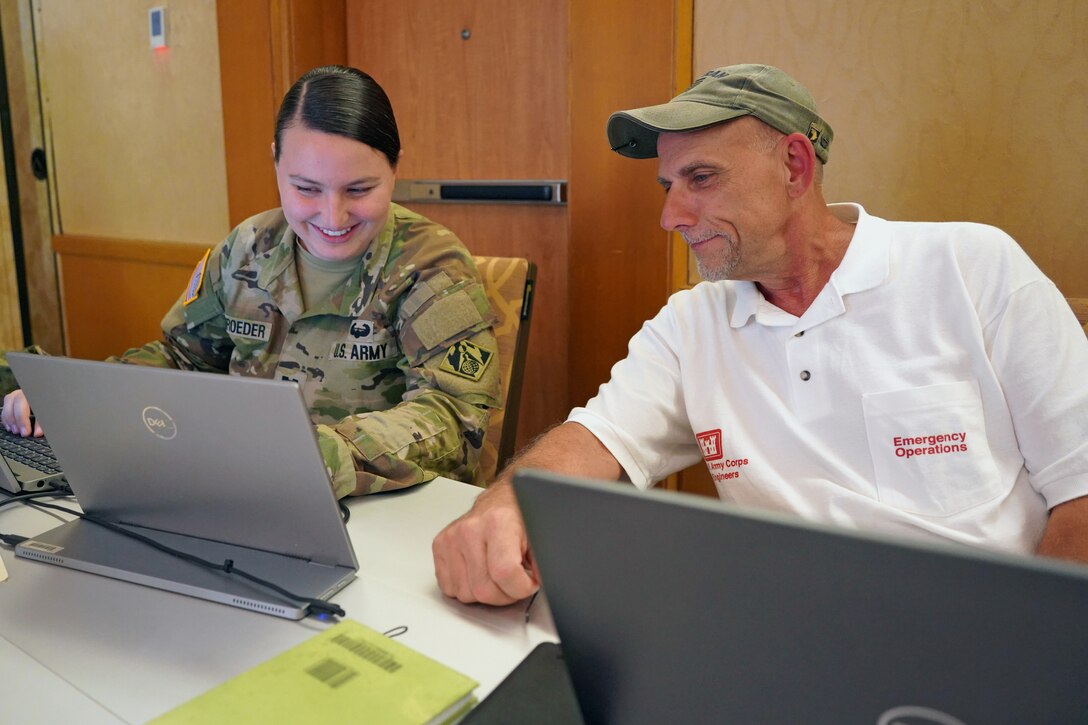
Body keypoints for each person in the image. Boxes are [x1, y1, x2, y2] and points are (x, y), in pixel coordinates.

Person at [432, 63, 1088, 606]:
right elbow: (593, 439)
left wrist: (1030, 648)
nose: (670, 215)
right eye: (668, 185)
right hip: (788, 647)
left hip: (988, 639)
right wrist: (507, 503)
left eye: (702, 178)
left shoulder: (972, 267)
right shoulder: (693, 324)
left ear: (796, 167)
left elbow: (1082, 494)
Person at [1, 65, 501, 498]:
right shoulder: (248, 247)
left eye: (360, 189)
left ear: (394, 170)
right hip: (234, 494)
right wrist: (84, 400)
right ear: (276, 164)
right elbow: (184, 358)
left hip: (373, 514)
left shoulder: (431, 266)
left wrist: (317, 456)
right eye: (306, 188)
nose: (333, 214)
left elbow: (454, 420)